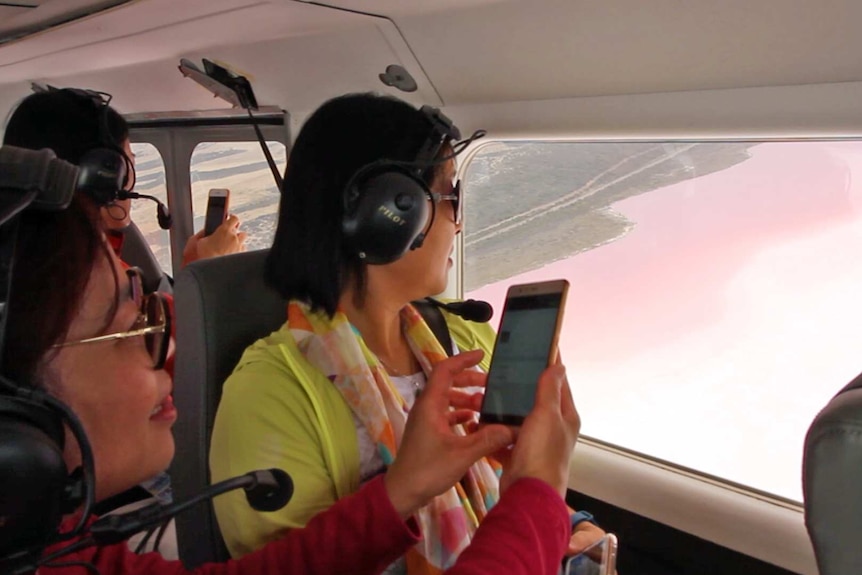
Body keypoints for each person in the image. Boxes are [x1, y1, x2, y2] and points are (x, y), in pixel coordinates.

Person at [1, 189, 579, 575]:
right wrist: (540, 493)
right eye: (134, 326)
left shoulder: (61, 558)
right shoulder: (273, 383)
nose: (171, 348)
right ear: (12, 424)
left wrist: (401, 489)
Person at [209, 92, 604, 573]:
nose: (458, 224)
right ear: (388, 214)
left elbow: (505, 486)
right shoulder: (267, 395)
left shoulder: (465, 341)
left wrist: (569, 524)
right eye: (451, 197)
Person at [3, 87, 247, 514]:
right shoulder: (60, 276)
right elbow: (164, 358)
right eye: (126, 167)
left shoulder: (105, 250)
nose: (128, 185)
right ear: (102, 174)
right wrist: (201, 280)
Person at [2, 87, 247, 270]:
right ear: (100, 177)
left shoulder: (42, 259)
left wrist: (193, 264)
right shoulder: (74, 277)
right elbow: (171, 337)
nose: (130, 180)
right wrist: (210, 266)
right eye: (125, 163)